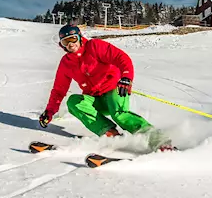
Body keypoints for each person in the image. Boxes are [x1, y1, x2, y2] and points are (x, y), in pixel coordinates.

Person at [39, 24, 174, 152]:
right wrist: (49, 112)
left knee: (119, 115)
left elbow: (120, 57)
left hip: (114, 90)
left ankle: (160, 141)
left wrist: (126, 77)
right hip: (95, 99)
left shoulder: (94, 46)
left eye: (73, 39)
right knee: (74, 102)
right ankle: (110, 133)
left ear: (79, 37)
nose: (70, 44)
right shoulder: (66, 63)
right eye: (65, 42)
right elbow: (59, 90)